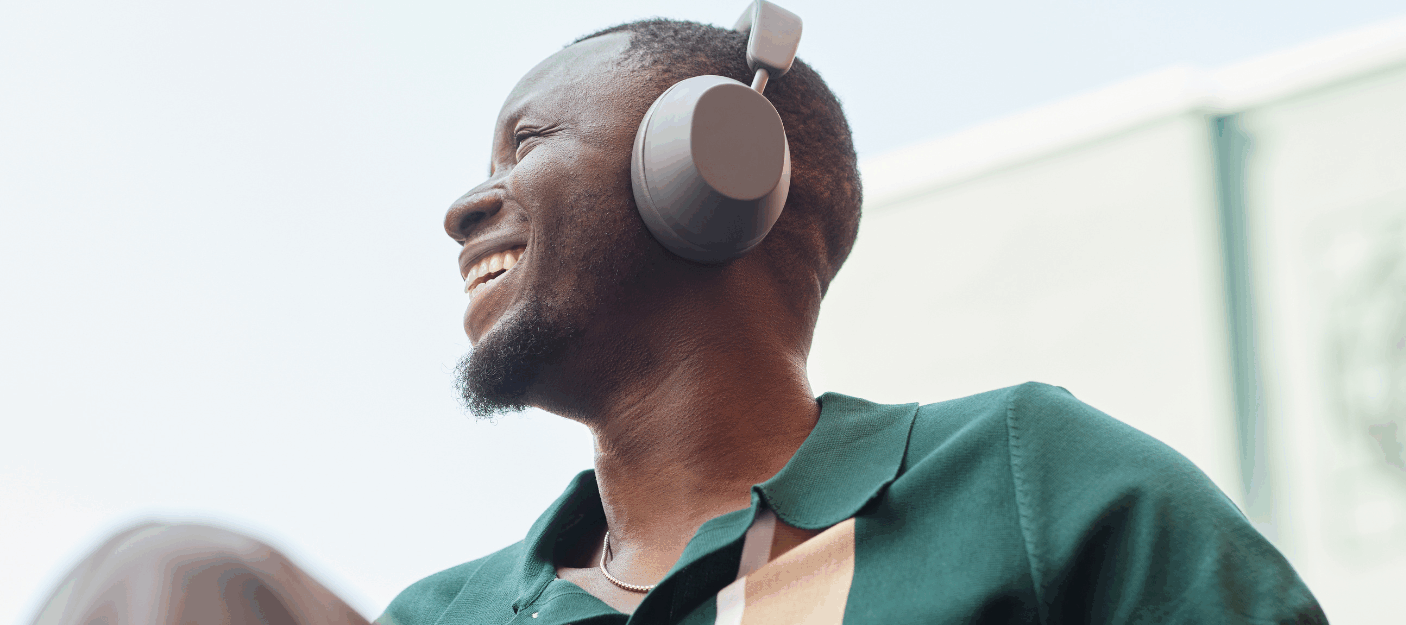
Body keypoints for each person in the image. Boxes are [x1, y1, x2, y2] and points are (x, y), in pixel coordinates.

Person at [32, 7, 1327, 625]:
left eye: (527, 143)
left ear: (720, 160)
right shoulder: (443, 618)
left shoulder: (1028, 483)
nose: (463, 208)